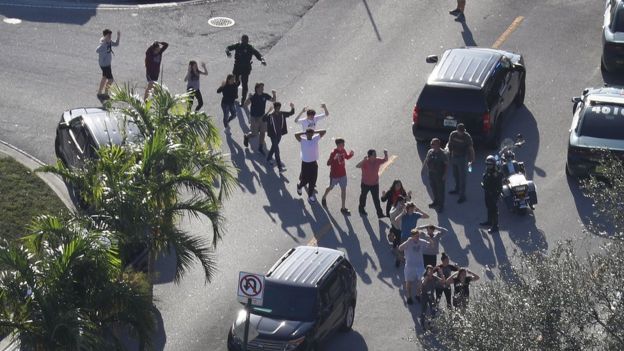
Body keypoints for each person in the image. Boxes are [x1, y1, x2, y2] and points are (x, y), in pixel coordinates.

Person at [225, 34, 266, 105]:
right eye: (243, 40)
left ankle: (243, 100)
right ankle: (235, 94)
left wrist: (262, 60)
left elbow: (258, 54)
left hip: (246, 68)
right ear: (241, 40)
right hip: (237, 67)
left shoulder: (250, 48)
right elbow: (227, 48)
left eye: (246, 41)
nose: (244, 42)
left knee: (244, 84)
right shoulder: (237, 45)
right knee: (235, 82)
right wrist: (227, 52)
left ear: (247, 41)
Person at [321, 138, 355, 214]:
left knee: (343, 190)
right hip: (334, 176)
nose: (343, 146)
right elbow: (328, 163)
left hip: (343, 174)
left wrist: (351, 154)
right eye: (342, 144)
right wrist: (334, 158)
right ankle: (324, 197)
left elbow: (346, 157)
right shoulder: (333, 152)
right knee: (330, 187)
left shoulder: (343, 150)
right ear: (338, 145)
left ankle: (343, 208)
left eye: (344, 144)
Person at [399, 229, 431, 305]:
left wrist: (429, 238)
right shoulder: (408, 242)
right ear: (412, 236)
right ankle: (409, 297)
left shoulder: (421, 241)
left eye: (418, 236)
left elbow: (430, 245)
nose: (418, 237)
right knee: (408, 282)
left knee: (421, 282)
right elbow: (400, 248)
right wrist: (407, 241)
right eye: (416, 236)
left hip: (420, 266)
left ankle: (417, 295)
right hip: (410, 266)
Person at [295, 128, 327, 203]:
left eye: (311, 134)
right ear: (306, 134)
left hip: (314, 163)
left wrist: (314, 131)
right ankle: (299, 186)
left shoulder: (315, 139)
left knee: (313, 179)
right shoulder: (302, 140)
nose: (310, 135)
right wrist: (305, 132)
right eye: (308, 134)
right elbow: (296, 134)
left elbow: (324, 131)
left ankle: (310, 196)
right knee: (305, 180)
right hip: (305, 163)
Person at [243, 83, 276, 154]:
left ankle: (260, 147)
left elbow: (273, 100)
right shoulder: (253, 96)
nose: (263, 89)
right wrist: (249, 97)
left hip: (262, 117)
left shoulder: (265, 95)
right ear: (257, 88)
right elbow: (245, 105)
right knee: (254, 134)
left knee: (263, 132)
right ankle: (246, 136)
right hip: (254, 118)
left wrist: (274, 94)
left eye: (263, 87)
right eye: (261, 87)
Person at [447, 124, 475, 204]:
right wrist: (448, 155)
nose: (461, 133)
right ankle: (457, 189)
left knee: (462, 177)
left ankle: (462, 196)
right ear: (457, 130)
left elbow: (471, 148)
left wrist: (472, 158)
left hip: (462, 158)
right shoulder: (453, 134)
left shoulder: (467, 137)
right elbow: (450, 145)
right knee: (455, 175)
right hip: (454, 157)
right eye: (459, 131)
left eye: (462, 131)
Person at [263, 102, 295, 173]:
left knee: (274, 147)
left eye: (279, 107)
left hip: (279, 135)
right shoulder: (270, 116)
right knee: (277, 151)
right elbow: (263, 119)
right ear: (274, 108)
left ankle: (268, 159)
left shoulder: (282, 114)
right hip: (273, 135)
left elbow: (291, 113)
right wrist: (268, 111)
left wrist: (292, 107)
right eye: (276, 108)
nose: (278, 109)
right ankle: (280, 168)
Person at [356, 149, 389, 217]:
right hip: (365, 184)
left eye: (375, 154)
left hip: (375, 184)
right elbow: (357, 166)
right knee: (363, 196)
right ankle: (361, 208)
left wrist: (386, 154)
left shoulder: (377, 160)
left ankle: (380, 214)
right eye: (374, 154)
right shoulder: (365, 162)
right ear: (370, 156)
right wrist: (363, 160)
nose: (376, 155)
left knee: (376, 199)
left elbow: (385, 160)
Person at [422, 138, 448, 213]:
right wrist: (423, 169)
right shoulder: (430, 151)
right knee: (433, 189)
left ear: (438, 145)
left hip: (439, 175)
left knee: (440, 191)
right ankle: (435, 202)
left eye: (433, 144)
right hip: (431, 174)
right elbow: (426, 160)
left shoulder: (443, 154)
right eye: (431, 143)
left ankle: (441, 205)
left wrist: (445, 174)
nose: (431, 145)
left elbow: (446, 165)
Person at [480, 155, 504, 233]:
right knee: (488, 207)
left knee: (494, 209)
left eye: (490, 164)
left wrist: (497, 194)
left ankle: (495, 226)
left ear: (493, 164)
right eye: (487, 164)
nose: (488, 165)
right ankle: (489, 221)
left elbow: (499, 184)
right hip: (487, 191)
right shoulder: (488, 169)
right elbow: (486, 177)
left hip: (493, 193)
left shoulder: (496, 173)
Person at [96, 29, 120, 98]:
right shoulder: (103, 43)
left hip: (106, 63)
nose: (110, 37)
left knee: (104, 77)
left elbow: (116, 44)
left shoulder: (109, 42)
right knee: (110, 79)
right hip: (105, 64)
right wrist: (104, 43)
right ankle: (106, 93)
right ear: (105, 36)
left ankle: (99, 92)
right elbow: (97, 50)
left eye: (110, 35)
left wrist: (118, 37)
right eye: (109, 35)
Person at [389, 195, 409, 267]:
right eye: (401, 202)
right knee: (399, 243)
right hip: (396, 228)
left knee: (398, 241)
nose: (403, 204)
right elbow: (392, 215)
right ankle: (398, 259)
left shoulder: (403, 207)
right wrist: (398, 209)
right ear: (398, 202)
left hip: (401, 228)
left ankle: (394, 248)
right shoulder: (394, 208)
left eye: (403, 202)